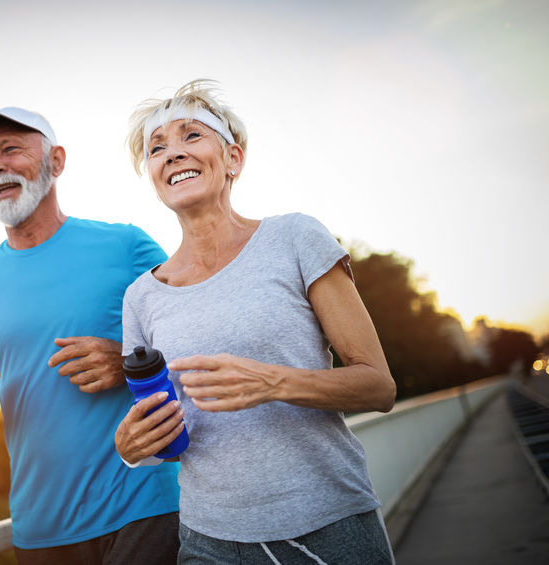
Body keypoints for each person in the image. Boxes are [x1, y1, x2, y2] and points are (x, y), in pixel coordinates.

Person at [114, 80, 398, 564]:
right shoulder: (141, 297)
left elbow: (378, 387)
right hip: (208, 540)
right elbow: (166, 434)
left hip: (329, 524)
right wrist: (132, 444)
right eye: (156, 148)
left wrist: (272, 382)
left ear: (233, 159)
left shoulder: (295, 238)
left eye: (191, 136)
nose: (173, 154)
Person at [0, 106, 180, 564]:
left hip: (144, 506)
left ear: (57, 161)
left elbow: (200, 333)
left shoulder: (125, 246)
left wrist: (126, 361)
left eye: (10, 149)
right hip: (40, 529)